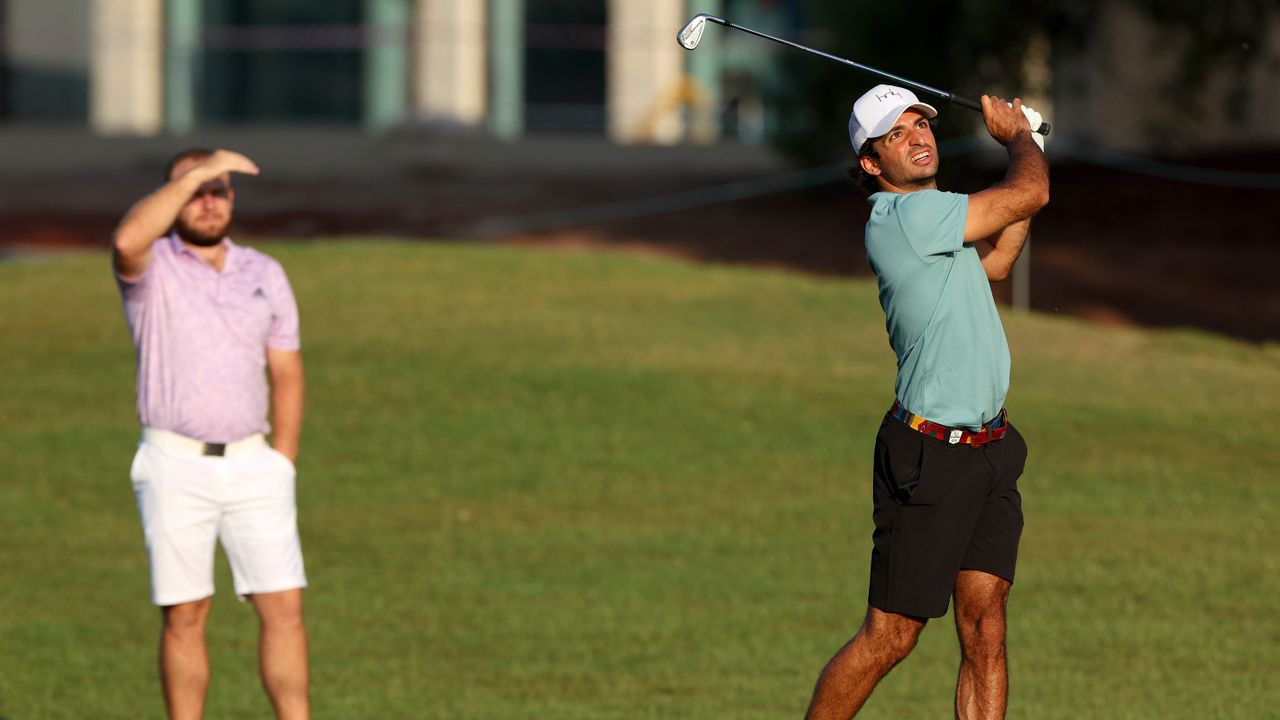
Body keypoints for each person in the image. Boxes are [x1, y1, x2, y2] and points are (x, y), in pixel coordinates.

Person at [803, 85, 1049, 720]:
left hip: (991, 450)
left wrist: (1034, 146)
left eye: (921, 125)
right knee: (890, 637)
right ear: (870, 163)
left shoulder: (939, 212)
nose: (917, 138)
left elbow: (995, 262)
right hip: (930, 456)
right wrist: (1019, 138)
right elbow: (1032, 192)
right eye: (895, 134)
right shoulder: (902, 219)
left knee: (986, 627)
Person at [113, 148, 310, 720]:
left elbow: (287, 369)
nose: (207, 200)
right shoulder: (151, 269)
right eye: (194, 188)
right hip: (176, 462)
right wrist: (195, 173)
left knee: (284, 609)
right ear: (170, 196)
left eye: (218, 189)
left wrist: (284, 460)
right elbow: (127, 240)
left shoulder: (265, 272)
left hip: (255, 464)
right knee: (185, 614)